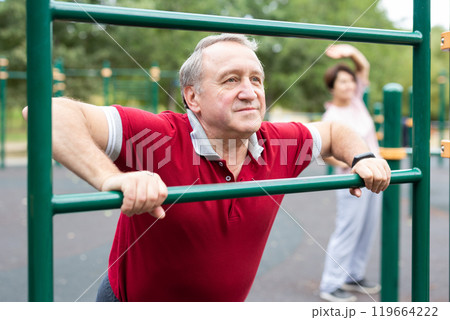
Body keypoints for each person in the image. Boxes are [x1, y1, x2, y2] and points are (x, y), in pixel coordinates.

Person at [23, 34, 390, 302]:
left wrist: (363, 157)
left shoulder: (277, 141)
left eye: (256, 79)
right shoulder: (158, 137)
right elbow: (45, 114)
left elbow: (334, 131)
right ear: (192, 96)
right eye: (231, 79)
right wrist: (113, 178)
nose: (249, 91)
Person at [319, 44, 382, 302]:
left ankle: (353, 275)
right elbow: (325, 153)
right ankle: (330, 283)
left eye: (350, 81)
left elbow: (363, 66)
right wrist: (353, 162)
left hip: (375, 175)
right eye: (341, 82)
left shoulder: (357, 103)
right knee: (347, 229)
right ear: (332, 87)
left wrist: (350, 50)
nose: (347, 86)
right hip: (351, 178)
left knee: (367, 227)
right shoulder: (331, 116)